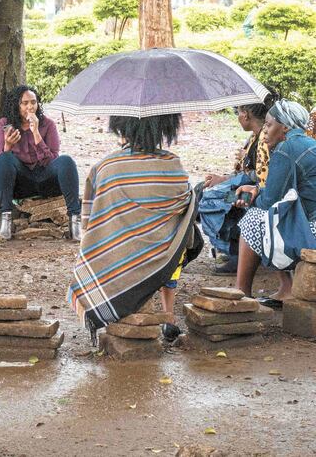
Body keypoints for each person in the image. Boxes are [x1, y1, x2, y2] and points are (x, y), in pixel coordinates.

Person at [68, 114, 199, 342]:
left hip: (114, 258)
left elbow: (90, 225)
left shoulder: (105, 167)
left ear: (122, 128)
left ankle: (116, 307)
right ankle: (168, 316)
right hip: (164, 258)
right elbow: (185, 215)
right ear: (163, 128)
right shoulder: (173, 165)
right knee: (176, 239)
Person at [235, 100, 316, 306]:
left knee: (252, 219)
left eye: (269, 124)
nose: (265, 130)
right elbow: (287, 191)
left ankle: (241, 294)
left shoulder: (286, 149)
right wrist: (257, 190)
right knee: (275, 217)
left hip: (310, 231)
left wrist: (251, 199)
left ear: (285, 127)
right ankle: (286, 288)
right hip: (311, 221)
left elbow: (269, 202)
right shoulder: (309, 144)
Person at [0, 85, 81, 240]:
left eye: (33, 102)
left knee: (66, 161)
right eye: (25, 103)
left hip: (46, 180)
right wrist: (8, 145)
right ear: (16, 105)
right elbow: (2, 161)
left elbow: (52, 160)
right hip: (20, 183)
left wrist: (36, 134)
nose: (30, 107)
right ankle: (6, 219)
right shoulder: (5, 124)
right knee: (5, 158)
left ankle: (75, 220)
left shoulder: (48, 124)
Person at [198, 96, 274, 275]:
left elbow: (261, 176)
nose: (238, 117)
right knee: (204, 192)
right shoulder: (255, 137)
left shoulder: (264, 139)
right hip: (252, 189)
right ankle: (231, 247)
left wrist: (227, 179)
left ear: (246, 115)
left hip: (257, 194)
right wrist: (224, 178)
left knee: (209, 200)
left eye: (238, 112)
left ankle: (234, 252)